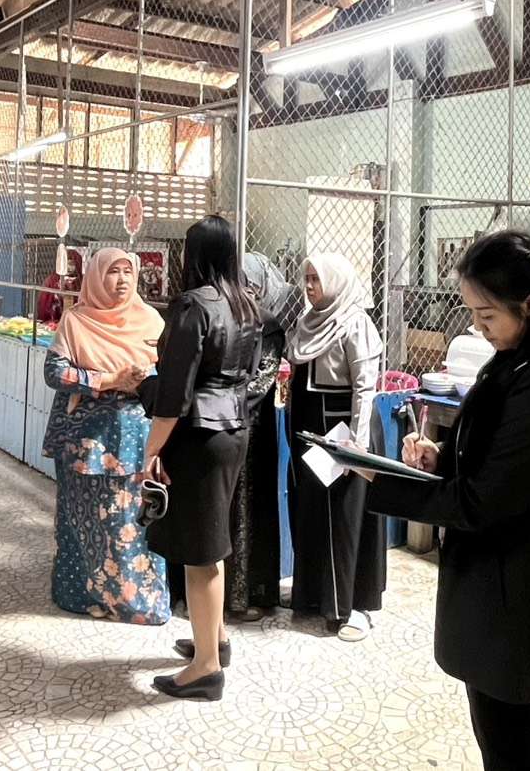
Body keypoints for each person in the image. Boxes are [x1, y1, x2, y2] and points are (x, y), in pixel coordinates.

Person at [362, 232, 530, 771]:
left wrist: (384, 484)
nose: (478, 328)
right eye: (472, 314)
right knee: (495, 731)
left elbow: (484, 501)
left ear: (528, 305)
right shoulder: (514, 360)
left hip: (516, 591)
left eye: (486, 315)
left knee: (513, 745)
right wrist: (440, 457)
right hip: (491, 582)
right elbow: (494, 456)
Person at [144, 216, 263, 701]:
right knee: (214, 541)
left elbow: (175, 392)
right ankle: (216, 639)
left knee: (200, 554)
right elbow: (250, 373)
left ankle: (206, 668)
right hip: (235, 431)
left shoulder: (193, 306)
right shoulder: (247, 304)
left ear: (192, 255)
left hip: (198, 436)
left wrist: (152, 448)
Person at [42, 247, 169, 624]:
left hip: (136, 439)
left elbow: (170, 373)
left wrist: (144, 381)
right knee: (82, 518)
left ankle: (138, 602)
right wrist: (108, 380)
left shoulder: (152, 321)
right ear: (96, 277)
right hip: (87, 442)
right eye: (113, 272)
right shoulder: (76, 321)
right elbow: (54, 373)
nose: (122, 279)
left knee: (131, 519)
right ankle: (82, 595)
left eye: (128, 271)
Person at [284, 252, 386, 642]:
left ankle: (354, 605)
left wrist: (354, 449)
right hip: (312, 429)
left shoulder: (355, 323)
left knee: (347, 515)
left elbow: (365, 388)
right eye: (307, 279)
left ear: (336, 281)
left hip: (344, 430)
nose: (310, 287)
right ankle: (315, 596)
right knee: (312, 510)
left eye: (317, 279)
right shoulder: (307, 322)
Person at [227, 252, 304, 618]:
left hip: (253, 428)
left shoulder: (268, 326)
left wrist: (219, 401)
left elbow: (261, 382)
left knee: (251, 509)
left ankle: (252, 592)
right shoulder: (221, 317)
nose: (247, 291)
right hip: (223, 426)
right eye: (240, 283)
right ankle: (221, 592)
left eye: (252, 285)